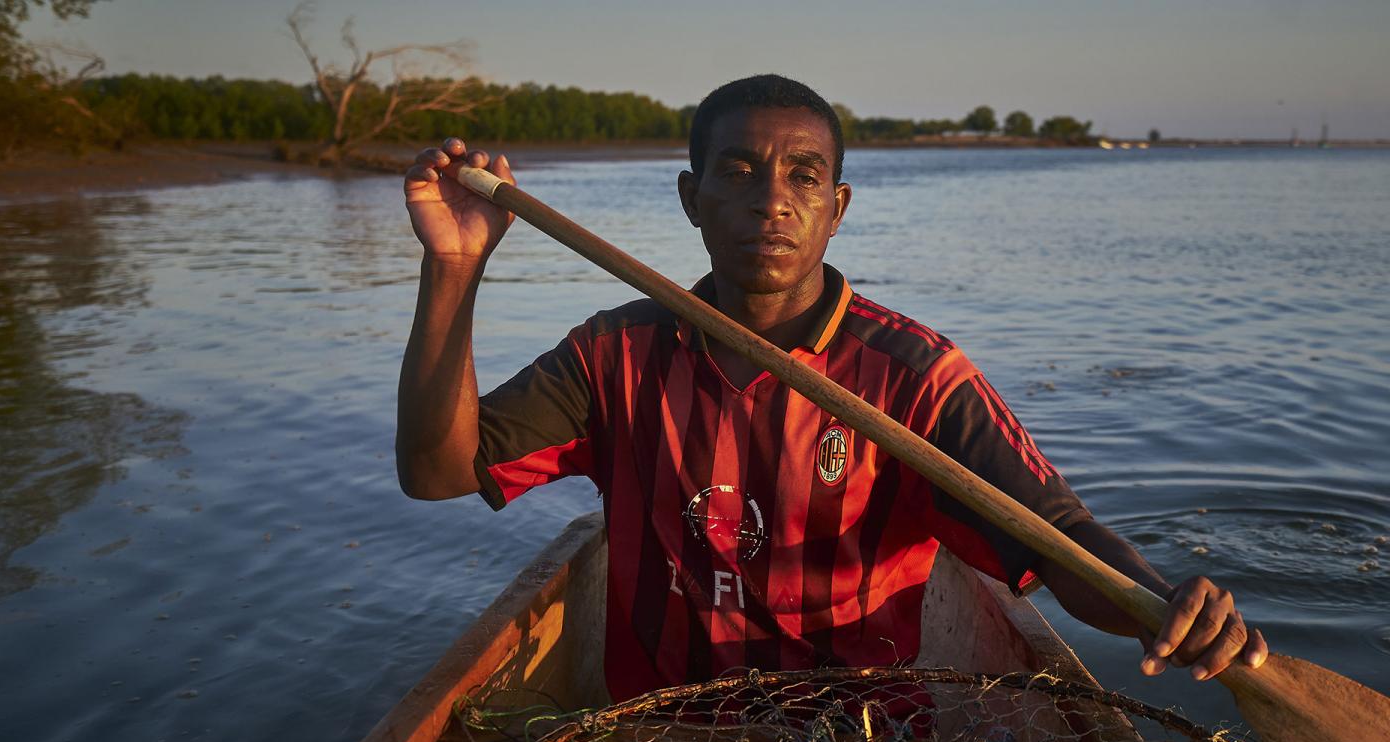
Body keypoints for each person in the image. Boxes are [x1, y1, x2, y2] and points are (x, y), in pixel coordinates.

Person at [396, 74, 1268, 703]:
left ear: (837, 207)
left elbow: (1060, 536)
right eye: (739, 172)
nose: (771, 201)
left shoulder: (916, 376)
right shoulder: (613, 354)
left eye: (803, 176)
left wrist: (1163, 605)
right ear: (691, 198)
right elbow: (437, 472)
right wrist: (454, 266)